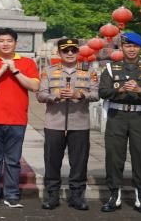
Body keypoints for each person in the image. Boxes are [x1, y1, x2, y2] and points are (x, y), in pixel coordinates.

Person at [0, 28, 39, 208]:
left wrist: (15, 71)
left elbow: (34, 86)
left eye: (9, 41)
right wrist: (2, 70)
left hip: (17, 119)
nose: (5, 44)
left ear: (15, 43)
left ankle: (12, 194)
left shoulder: (26, 62)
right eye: (1, 40)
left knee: (13, 159)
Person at [99, 32, 141, 215]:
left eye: (135, 46)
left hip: (140, 118)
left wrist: (140, 89)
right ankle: (114, 196)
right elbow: (103, 91)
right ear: (122, 48)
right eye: (128, 46)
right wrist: (119, 90)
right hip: (116, 116)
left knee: (140, 157)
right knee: (113, 157)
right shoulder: (112, 68)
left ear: (140, 47)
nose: (132, 49)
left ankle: (140, 198)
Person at [36, 38, 99, 210]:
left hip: (79, 123)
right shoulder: (48, 71)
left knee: (79, 162)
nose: (70, 53)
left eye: (73, 50)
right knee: (52, 161)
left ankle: (77, 196)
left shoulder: (88, 71)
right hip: (54, 123)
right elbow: (40, 95)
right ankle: (52, 196)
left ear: (78, 52)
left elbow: (96, 93)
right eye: (66, 50)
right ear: (59, 53)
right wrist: (55, 96)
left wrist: (79, 94)